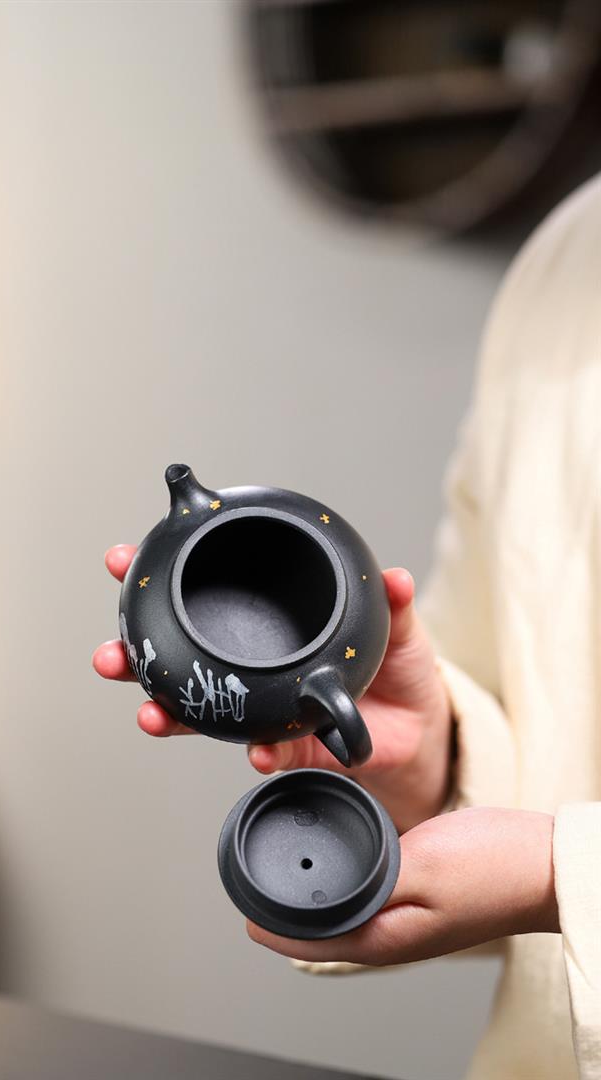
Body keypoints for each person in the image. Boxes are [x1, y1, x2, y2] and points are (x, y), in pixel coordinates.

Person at [93, 176, 601, 1080]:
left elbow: (547, 855)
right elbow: (534, 707)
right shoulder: (572, 252)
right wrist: (429, 765)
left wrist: (558, 871)